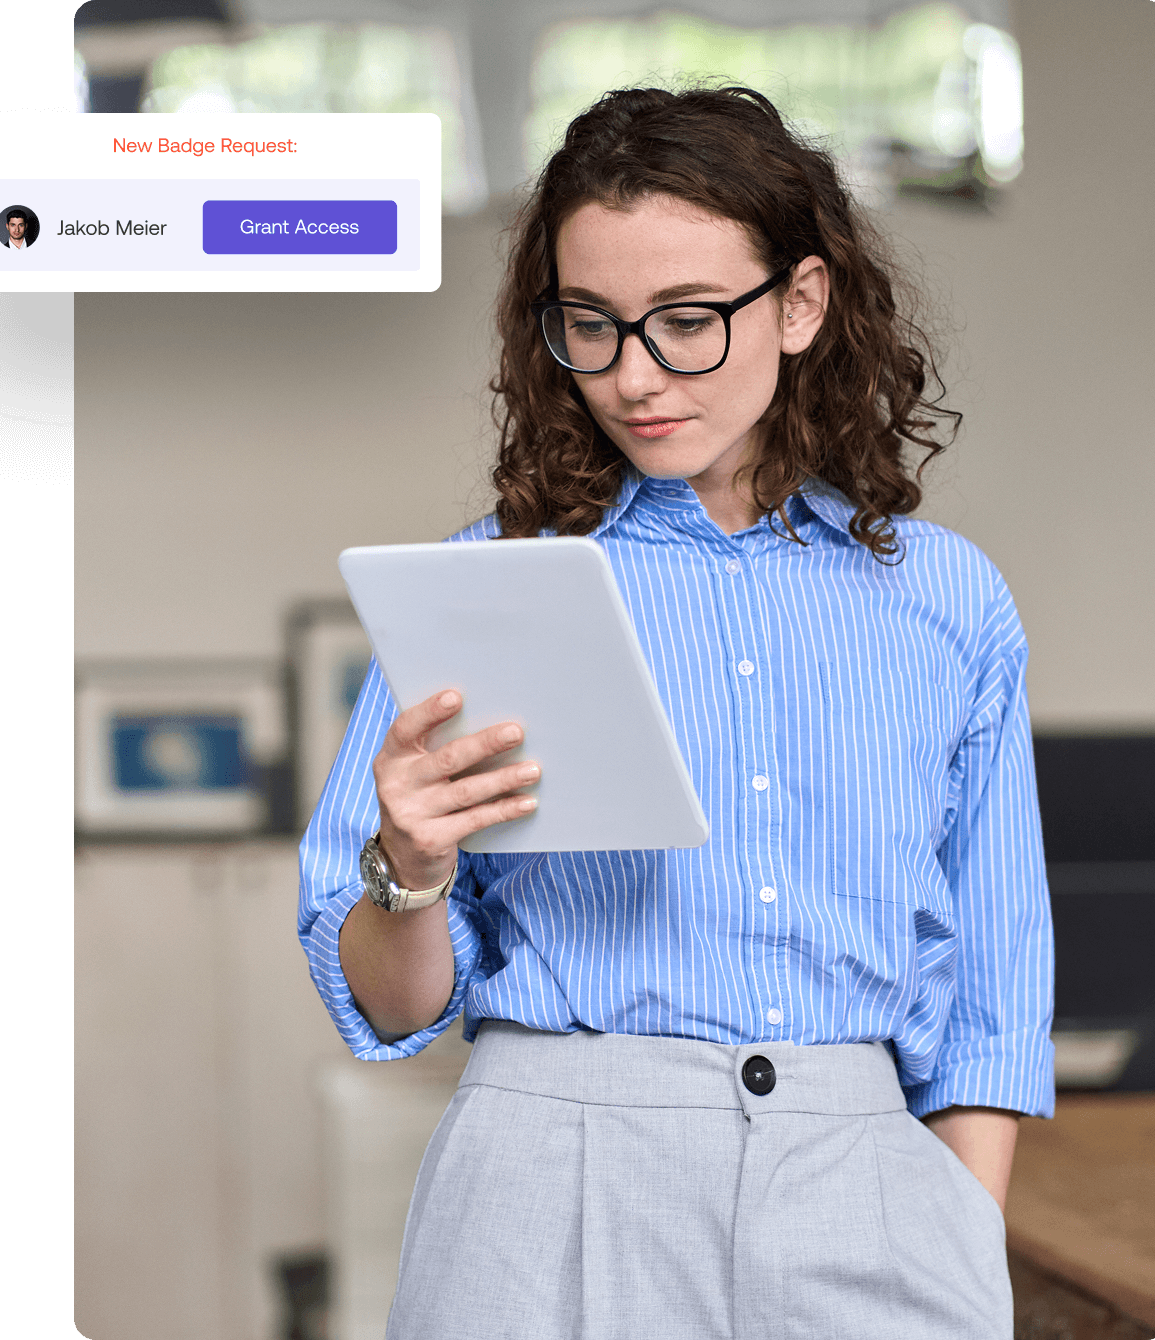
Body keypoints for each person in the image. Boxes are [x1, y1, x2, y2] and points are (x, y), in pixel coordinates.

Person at [298, 85, 1054, 1339]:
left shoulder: (948, 601)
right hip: (547, 1184)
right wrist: (412, 871)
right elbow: (385, 999)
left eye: (689, 321)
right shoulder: (489, 585)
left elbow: (989, 987)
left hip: (868, 1182)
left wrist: (957, 1234)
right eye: (589, 325)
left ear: (801, 302)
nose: (633, 376)